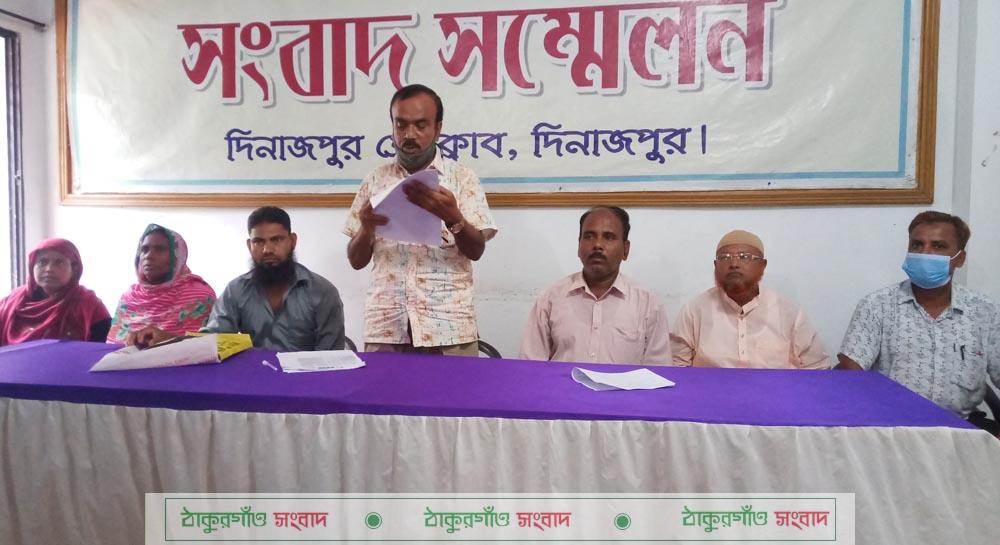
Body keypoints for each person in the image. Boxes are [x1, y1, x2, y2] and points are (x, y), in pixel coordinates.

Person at [344, 84, 496, 356]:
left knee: (453, 388)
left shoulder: (463, 178)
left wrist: (453, 218)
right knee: (380, 387)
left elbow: (476, 250)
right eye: (401, 125)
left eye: (420, 125)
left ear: (438, 128)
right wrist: (366, 228)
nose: (409, 134)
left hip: (448, 325)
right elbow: (356, 261)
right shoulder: (375, 180)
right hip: (387, 326)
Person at [838, 211, 1000, 433]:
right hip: (890, 428)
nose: (925, 253)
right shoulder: (877, 305)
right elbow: (851, 371)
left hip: (962, 428)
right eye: (917, 245)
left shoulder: (985, 311)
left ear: (959, 259)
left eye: (938, 246)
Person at [130, 207, 345, 352]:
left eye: (277, 240)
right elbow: (214, 340)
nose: (267, 249)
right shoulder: (237, 290)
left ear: (292, 241)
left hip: (307, 388)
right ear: (249, 245)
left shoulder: (322, 292)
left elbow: (333, 360)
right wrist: (166, 338)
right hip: (253, 385)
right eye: (258, 242)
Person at [519, 206, 670, 364]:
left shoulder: (647, 303)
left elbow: (659, 369)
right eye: (589, 236)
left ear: (625, 250)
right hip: (560, 382)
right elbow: (530, 365)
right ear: (579, 246)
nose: (597, 244)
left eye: (609, 237)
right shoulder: (551, 298)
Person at [670, 229, 829, 369]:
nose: (734, 263)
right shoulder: (695, 310)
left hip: (776, 392)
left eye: (744, 257)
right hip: (710, 392)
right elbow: (676, 367)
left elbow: (817, 369)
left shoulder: (790, 313)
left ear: (762, 265)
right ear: (715, 265)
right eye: (724, 257)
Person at [106, 224, 216, 343]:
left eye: (159, 249)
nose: (149, 256)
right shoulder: (129, 297)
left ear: (177, 255)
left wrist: (169, 340)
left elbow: (205, 347)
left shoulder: (199, 296)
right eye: (144, 249)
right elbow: (111, 347)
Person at [0, 238, 110, 345]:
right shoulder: (13, 301)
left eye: (59, 262)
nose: (49, 269)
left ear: (74, 269)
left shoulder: (89, 304)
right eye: (42, 262)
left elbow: (103, 348)